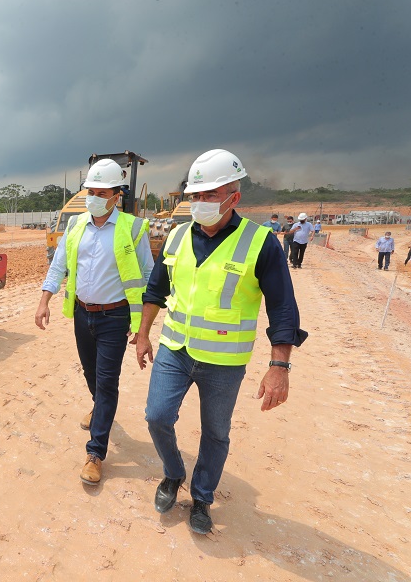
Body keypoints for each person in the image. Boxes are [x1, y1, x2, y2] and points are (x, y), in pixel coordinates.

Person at [135, 148, 307, 534]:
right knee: (156, 417)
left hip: (224, 363)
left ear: (234, 197)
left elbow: (283, 308)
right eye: (195, 196)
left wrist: (279, 366)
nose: (200, 203)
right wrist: (144, 334)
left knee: (215, 433)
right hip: (174, 350)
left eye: (210, 195)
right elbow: (155, 289)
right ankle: (173, 474)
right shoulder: (177, 236)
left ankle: (202, 497)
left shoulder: (260, 243)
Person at [35, 159, 154, 486]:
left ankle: (95, 453)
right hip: (82, 313)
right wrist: (44, 300)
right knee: (91, 374)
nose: (94, 197)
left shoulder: (132, 228)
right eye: (90, 191)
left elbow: (147, 276)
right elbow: (58, 267)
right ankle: (99, 405)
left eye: (102, 192)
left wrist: (142, 326)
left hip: (115, 317)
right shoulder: (75, 226)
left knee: (107, 380)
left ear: (117, 195)